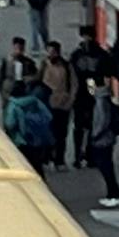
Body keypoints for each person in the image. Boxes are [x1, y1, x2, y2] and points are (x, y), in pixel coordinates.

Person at [69, 31, 112, 166]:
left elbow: (107, 74)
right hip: (82, 92)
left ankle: (88, 154)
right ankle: (79, 155)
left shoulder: (97, 54)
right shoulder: (78, 55)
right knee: (80, 126)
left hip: (91, 91)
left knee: (90, 125)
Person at [3, 68, 55, 175]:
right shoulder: (35, 101)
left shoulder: (13, 105)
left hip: (21, 140)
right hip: (38, 139)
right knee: (37, 165)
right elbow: (48, 116)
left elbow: (10, 123)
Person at [86, 76, 119, 207]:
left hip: (102, 138)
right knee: (107, 166)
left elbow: (102, 120)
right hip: (108, 137)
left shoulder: (100, 101)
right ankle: (112, 194)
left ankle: (115, 194)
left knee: (105, 167)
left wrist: (95, 135)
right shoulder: (106, 99)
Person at [41, 41, 75, 171]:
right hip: (47, 104)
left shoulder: (66, 66)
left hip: (63, 104)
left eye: (54, 52)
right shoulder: (44, 65)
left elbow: (75, 85)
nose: (51, 55)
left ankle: (59, 159)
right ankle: (46, 158)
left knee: (61, 134)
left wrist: (70, 100)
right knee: (47, 133)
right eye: (49, 52)